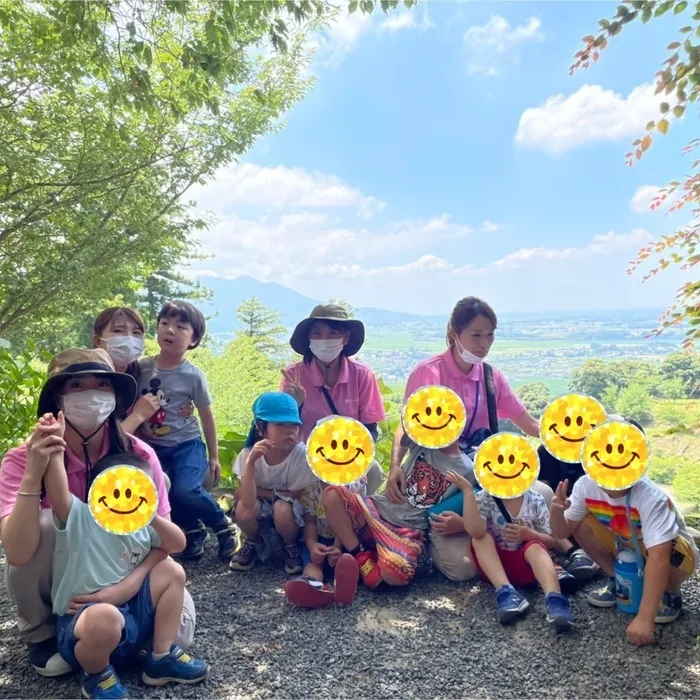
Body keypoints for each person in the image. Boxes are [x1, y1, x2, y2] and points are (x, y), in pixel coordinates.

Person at [0, 348, 195, 678]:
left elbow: (165, 545)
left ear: (115, 396)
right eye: (76, 385)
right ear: (56, 399)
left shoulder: (139, 458)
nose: (91, 395)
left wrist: (123, 590)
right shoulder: (24, 458)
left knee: (180, 634)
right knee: (44, 523)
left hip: (128, 570)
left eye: (102, 385)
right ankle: (42, 632)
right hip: (68, 583)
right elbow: (17, 554)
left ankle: (110, 638)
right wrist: (36, 471)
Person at [389, 296, 595, 583]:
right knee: (462, 569)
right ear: (454, 334)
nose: (484, 344)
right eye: (476, 335)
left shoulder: (490, 377)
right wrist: (395, 465)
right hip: (444, 480)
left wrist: (581, 437)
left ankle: (549, 554)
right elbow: (405, 425)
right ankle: (463, 538)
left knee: (544, 495)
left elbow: (529, 424)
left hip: (486, 473)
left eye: (490, 336)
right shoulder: (429, 373)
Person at [42, 427, 209, 699]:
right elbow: (57, 489)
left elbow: (177, 544)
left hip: (131, 617)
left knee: (172, 570)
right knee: (105, 617)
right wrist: (55, 446)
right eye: (120, 490)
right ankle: (97, 675)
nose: (127, 498)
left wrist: (152, 516)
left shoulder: (142, 526)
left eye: (139, 490)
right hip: (84, 625)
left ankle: (161, 657)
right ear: (98, 492)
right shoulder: (80, 517)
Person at [550, 458, 699, 646]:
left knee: (668, 544)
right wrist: (556, 511)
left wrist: (645, 618)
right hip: (626, 543)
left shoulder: (651, 496)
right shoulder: (586, 485)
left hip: (673, 555)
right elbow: (562, 532)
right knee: (581, 521)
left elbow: (659, 555)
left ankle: (669, 593)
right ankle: (617, 580)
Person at [134, 300, 235, 561]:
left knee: (186, 490)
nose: (170, 330)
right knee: (163, 489)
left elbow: (206, 415)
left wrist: (213, 456)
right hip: (152, 446)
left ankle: (223, 525)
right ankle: (192, 532)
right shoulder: (141, 368)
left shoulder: (193, 376)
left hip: (186, 444)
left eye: (180, 327)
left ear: (193, 339)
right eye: (164, 324)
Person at [323, 440, 474, 589]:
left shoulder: (468, 470)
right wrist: (394, 466)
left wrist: (462, 524)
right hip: (375, 511)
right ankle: (361, 557)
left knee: (396, 573)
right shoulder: (422, 442)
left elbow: (478, 502)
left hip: (406, 532)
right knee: (332, 494)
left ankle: (372, 562)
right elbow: (405, 426)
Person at [445, 470, 574, 630]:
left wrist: (529, 534)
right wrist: (468, 492)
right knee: (481, 539)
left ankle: (555, 599)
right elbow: (475, 531)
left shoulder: (535, 500)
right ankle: (506, 592)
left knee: (535, 547)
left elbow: (551, 541)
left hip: (527, 565)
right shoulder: (485, 498)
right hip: (494, 567)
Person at [280, 304, 386, 494]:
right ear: (309, 338)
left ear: (345, 338)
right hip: (306, 455)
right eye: (317, 334)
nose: (324, 341)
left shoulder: (362, 375)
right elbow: (282, 431)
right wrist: (294, 404)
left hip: (347, 453)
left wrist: (345, 453)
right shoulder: (293, 375)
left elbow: (370, 429)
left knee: (375, 472)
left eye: (332, 334)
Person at [229, 392, 318, 574]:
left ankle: (290, 545)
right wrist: (251, 463)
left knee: (283, 509)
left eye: (294, 425)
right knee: (243, 511)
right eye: (280, 424)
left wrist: (259, 490)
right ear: (261, 427)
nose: (289, 431)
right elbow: (246, 500)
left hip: (291, 512)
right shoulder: (248, 454)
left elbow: (294, 494)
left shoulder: (300, 455)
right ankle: (252, 541)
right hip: (261, 507)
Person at [92, 306, 193, 435]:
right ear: (98, 341)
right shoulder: (89, 382)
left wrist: (178, 406)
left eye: (136, 333)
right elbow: (99, 444)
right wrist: (138, 416)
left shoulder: (137, 371)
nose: (129, 339)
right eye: (118, 331)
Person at [283, 477, 362, 609]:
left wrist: (338, 546)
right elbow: (310, 521)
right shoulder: (310, 488)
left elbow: (347, 522)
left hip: (346, 539)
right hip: (319, 539)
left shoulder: (353, 485)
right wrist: (312, 545)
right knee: (313, 562)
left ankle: (344, 586)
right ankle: (312, 584)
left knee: (347, 560)